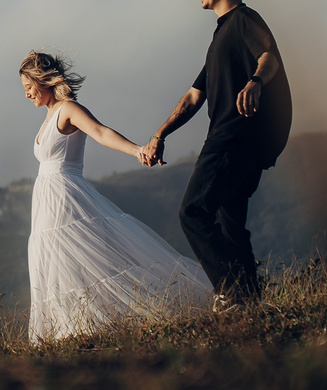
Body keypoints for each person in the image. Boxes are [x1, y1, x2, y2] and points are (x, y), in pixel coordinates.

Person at [20, 51, 212, 343]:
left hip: (65, 195)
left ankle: (93, 326)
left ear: (43, 80)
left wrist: (138, 150)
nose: (27, 94)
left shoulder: (68, 109)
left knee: (79, 257)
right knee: (58, 262)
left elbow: (100, 132)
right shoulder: (48, 116)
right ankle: (69, 330)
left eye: (28, 87)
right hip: (46, 200)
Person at [140, 0, 292, 310]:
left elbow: (269, 56)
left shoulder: (243, 19)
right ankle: (250, 306)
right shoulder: (221, 38)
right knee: (231, 226)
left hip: (232, 137)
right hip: (239, 141)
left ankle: (231, 292)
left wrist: (255, 82)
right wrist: (160, 134)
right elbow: (194, 97)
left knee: (193, 212)